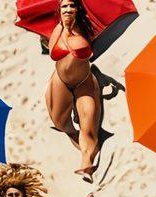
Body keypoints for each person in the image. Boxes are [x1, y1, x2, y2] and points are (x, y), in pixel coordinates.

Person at [45, 0, 102, 181]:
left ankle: (86, 163)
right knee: (62, 123)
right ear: (59, 9)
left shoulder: (85, 30)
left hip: (83, 82)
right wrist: (65, 30)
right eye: (64, 6)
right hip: (60, 81)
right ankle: (80, 143)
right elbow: (53, 54)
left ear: (77, 9)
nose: (68, 9)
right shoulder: (56, 30)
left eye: (72, 5)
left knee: (89, 127)